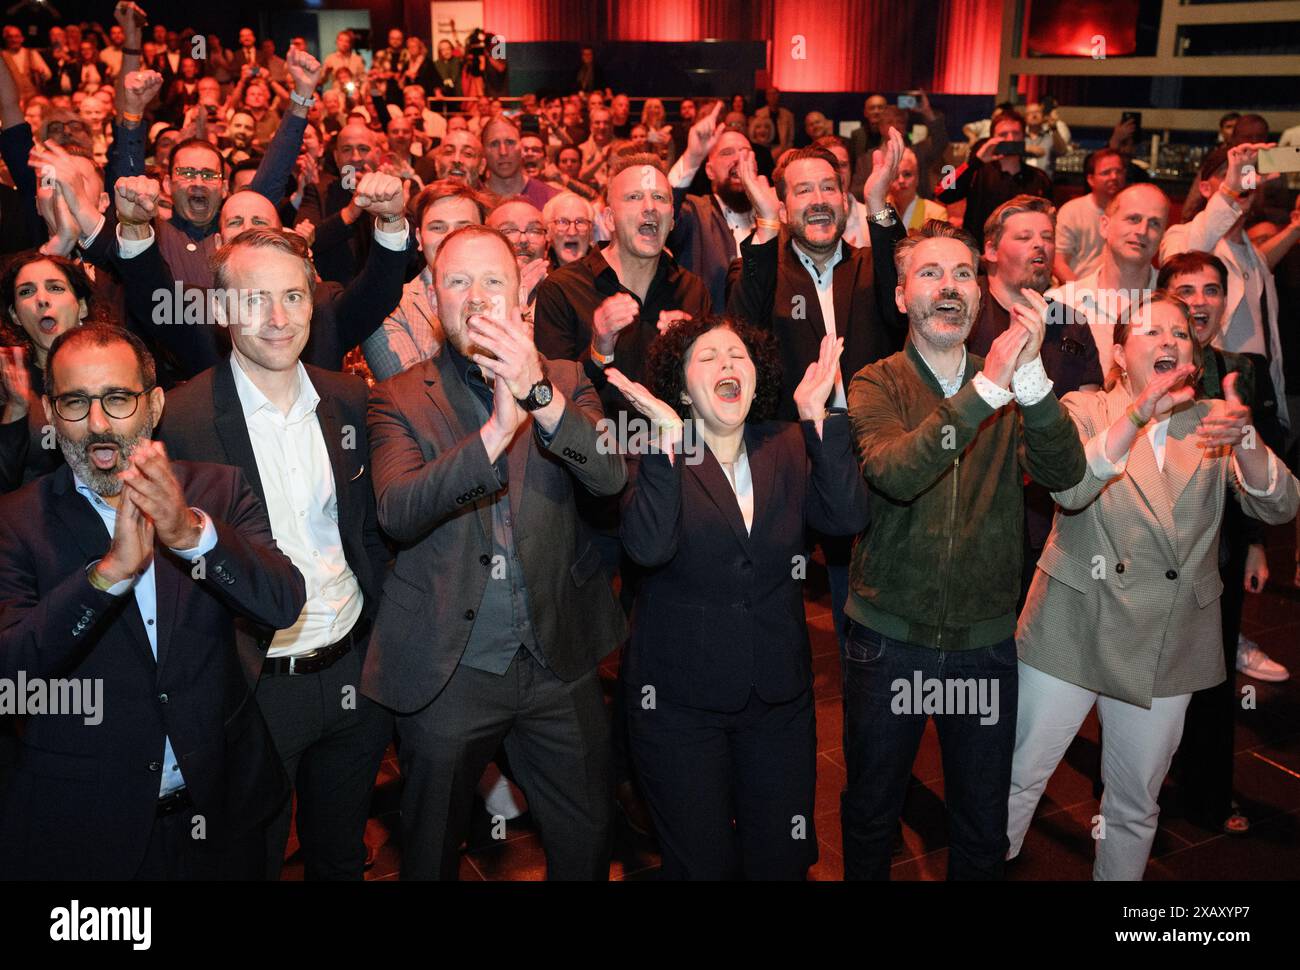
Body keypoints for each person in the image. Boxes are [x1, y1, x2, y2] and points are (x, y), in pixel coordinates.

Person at [364, 224, 627, 880]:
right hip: (451, 669)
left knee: (587, 839)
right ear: (432, 297)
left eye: (492, 281)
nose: (476, 297)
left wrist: (538, 397)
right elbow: (396, 512)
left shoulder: (566, 378)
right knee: (428, 850)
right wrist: (490, 437)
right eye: (457, 281)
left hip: (557, 661)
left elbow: (609, 476)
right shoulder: (396, 397)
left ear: (522, 298)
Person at [1006, 292, 1298, 880]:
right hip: (1071, 623)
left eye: (1181, 333)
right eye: (1150, 331)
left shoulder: (1214, 420)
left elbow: (1281, 507)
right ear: (1118, 353)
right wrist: (1136, 414)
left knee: (1136, 802)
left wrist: (1246, 440)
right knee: (1017, 776)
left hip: (1168, 638)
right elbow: (1069, 488)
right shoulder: (1085, 409)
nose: (1169, 340)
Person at [0, 324, 306, 879]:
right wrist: (108, 574)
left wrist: (192, 536)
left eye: (117, 399)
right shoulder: (16, 520)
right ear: (50, 409)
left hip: (222, 812)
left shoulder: (217, 490)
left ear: (155, 402)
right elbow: (11, 672)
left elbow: (282, 603)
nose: (97, 423)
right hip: (92, 828)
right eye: (74, 402)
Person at [842, 220, 1086, 880]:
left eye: (962, 275)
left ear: (980, 295)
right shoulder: (875, 383)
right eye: (930, 273)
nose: (948, 287)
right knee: (871, 813)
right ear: (900, 297)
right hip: (889, 639)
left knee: (981, 825)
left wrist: (1030, 382)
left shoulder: (1010, 383)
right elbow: (894, 471)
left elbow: (1067, 477)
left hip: (982, 641)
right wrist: (987, 393)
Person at [156, 229, 392, 880]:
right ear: (223, 310)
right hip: (256, 686)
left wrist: (379, 641)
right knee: (247, 861)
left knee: (340, 856)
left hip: (354, 674)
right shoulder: (182, 420)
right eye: (257, 299)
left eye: (293, 295)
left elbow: (366, 532)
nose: (279, 317)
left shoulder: (346, 398)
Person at [609, 321, 868, 880]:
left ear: (757, 376)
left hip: (777, 699)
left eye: (739, 356)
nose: (728, 364)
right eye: (709, 358)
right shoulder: (647, 451)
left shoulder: (789, 444)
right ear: (680, 388)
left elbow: (846, 519)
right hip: (678, 705)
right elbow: (647, 550)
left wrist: (818, 418)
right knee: (701, 864)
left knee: (781, 857)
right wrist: (664, 443)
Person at [101, 170, 412, 383]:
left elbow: (377, 293)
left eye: (259, 221)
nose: (248, 227)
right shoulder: (202, 309)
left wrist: (390, 219)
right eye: (236, 221)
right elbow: (150, 295)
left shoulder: (322, 304)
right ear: (218, 244)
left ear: (283, 236)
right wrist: (135, 226)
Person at [1162, 142, 1300, 441]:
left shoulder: (1252, 254)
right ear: (1206, 188)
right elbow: (1177, 267)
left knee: (1261, 479)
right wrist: (1230, 192)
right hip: (1215, 381)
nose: (1240, 180)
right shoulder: (1183, 236)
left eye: (1245, 173)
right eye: (1228, 174)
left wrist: (1295, 227)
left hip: (1260, 387)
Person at [362, 180, 487, 382]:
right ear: (419, 238)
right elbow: (412, 396)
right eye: (438, 227)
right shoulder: (389, 308)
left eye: (464, 227)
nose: (451, 237)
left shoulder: (510, 298)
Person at [0, 254, 98, 491]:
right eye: (26, 292)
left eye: (55, 288)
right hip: (34, 520)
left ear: (82, 306)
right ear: (15, 316)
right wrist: (16, 409)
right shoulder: (7, 383)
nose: (41, 299)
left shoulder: (115, 370)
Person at [1048, 182, 1169, 368]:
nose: (1142, 231)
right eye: (1133, 219)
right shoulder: (1061, 304)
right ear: (1104, 225)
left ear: (1162, 236)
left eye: (1154, 223)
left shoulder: (1175, 303)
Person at [666, 102, 757, 309]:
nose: (738, 159)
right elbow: (663, 211)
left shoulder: (774, 217)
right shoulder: (695, 212)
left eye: (745, 152)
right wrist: (692, 156)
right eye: (727, 153)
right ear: (709, 171)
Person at [937, 109, 1053, 250]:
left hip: (1023, 256)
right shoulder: (977, 171)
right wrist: (976, 161)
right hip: (979, 257)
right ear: (992, 139)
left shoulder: (1039, 178)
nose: (1010, 139)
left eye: (1016, 134)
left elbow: (1049, 222)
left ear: (1023, 137)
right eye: (1003, 135)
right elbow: (943, 192)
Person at [1053, 148, 1127, 283]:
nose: (1114, 177)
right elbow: (1058, 261)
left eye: (1119, 171)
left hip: (1120, 292)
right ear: (1091, 179)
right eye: (1106, 173)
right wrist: (1080, 294)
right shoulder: (1072, 211)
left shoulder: (1131, 212)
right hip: (1076, 290)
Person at [543, 190, 594, 267]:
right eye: (562, 222)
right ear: (548, 232)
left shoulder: (607, 275)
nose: (572, 232)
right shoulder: (537, 276)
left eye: (580, 222)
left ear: (590, 231)